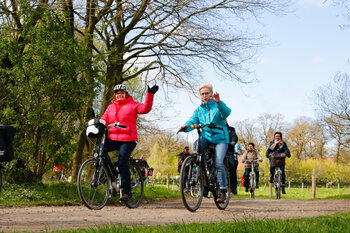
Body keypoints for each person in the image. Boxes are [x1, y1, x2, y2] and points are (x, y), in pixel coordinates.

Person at [101, 83, 159, 201]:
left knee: (122, 161)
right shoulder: (110, 108)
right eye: (117, 94)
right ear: (115, 96)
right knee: (100, 150)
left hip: (128, 139)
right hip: (113, 138)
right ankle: (111, 172)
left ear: (126, 94)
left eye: (122, 93)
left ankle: (126, 191)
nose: (119, 95)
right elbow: (103, 120)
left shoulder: (133, 105)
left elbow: (145, 108)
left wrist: (150, 94)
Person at [178, 83, 231, 203]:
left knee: (218, 163)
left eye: (207, 93)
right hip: (206, 136)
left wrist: (219, 102)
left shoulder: (217, 106)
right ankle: (199, 172)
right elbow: (192, 121)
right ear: (200, 96)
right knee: (196, 147)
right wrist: (185, 127)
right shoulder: (199, 110)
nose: (205, 95)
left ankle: (222, 191)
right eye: (202, 94)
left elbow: (226, 113)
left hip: (220, 139)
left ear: (211, 94)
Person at [226, 122, 241, 195]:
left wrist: (232, 143)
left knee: (232, 165)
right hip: (216, 150)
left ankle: (233, 187)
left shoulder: (231, 129)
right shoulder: (215, 128)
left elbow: (234, 138)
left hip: (229, 150)